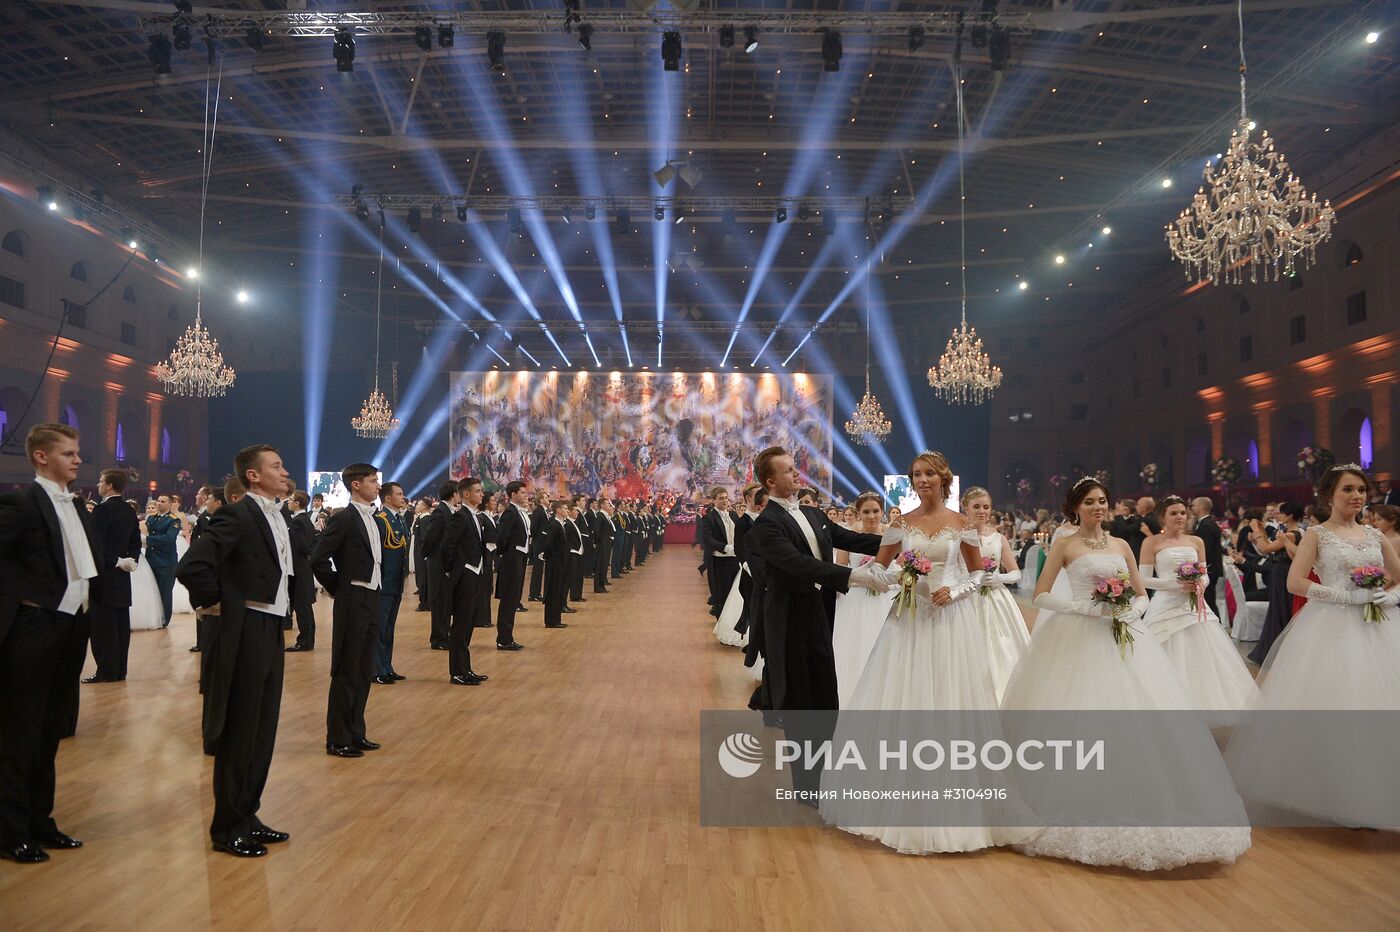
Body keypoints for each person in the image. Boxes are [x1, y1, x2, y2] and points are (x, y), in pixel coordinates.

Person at [1001, 477, 1251, 870]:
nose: (1098, 507)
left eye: (1102, 501)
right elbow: (1041, 594)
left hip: (1123, 635)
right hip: (1079, 634)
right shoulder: (1065, 544)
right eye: (1090, 502)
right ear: (1075, 508)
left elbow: (1138, 592)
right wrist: (1084, 609)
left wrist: (1129, 611)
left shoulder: (1120, 544)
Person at [824, 457, 1027, 854]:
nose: (922, 480)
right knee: (904, 695)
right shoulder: (900, 524)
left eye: (929, 474)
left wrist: (956, 592)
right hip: (908, 618)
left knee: (952, 698)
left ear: (943, 479)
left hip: (952, 619)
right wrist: (900, 578)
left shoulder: (962, 524)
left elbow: (978, 573)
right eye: (917, 475)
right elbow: (881, 569)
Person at [1227, 465, 1400, 826]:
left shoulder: (1374, 535)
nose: (1357, 497)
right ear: (1329, 495)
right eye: (1348, 490)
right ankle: (1338, 790)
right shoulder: (1317, 535)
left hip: (1377, 625)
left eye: (1361, 491)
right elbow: (1294, 582)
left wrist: (1389, 597)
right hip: (1332, 625)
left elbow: (1398, 576)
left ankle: (1380, 788)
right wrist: (1340, 595)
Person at [742, 447, 884, 796]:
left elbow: (852, 538)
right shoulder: (766, 526)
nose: (797, 474)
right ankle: (808, 786)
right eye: (789, 471)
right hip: (789, 621)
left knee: (825, 696)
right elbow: (800, 564)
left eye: (795, 468)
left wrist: (905, 538)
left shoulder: (813, 513)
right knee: (801, 702)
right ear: (770, 481)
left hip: (819, 614)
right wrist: (857, 578)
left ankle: (824, 774)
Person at [176, 444, 293, 857]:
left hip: (271, 627)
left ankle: (249, 813)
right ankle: (227, 826)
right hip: (246, 628)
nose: (284, 471)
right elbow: (193, 566)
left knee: (263, 727)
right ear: (254, 476)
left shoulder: (278, 516)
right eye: (276, 466)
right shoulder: (238, 512)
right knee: (241, 729)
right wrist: (219, 602)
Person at [0, 423, 99, 863]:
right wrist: (20, 602)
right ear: (41, 457)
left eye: (78, 453)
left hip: (72, 627)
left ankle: (41, 821)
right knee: (19, 732)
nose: (77, 459)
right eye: (68, 453)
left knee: (51, 730)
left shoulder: (76, 504)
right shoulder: (21, 503)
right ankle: (9, 830)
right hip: (34, 627)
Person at [1139, 496, 1258, 716]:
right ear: (1162, 517)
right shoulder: (1152, 542)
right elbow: (1143, 579)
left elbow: (1205, 574)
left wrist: (1199, 584)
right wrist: (1175, 584)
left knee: (1204, 658)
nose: (1180, 517)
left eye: (1183, 513)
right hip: (1165, 606)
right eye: (1174, 513)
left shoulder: (1196, 541)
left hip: (1194, 606)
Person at [310, 463, 384, 758]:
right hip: (353, 598)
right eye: (372, 481)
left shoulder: (374, 519)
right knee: (346, 670)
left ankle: (356, 732)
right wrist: (340, 587)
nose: (378, 485)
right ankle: (337, 738)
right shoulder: (344, 518)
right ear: (355, 485)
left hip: (372, 598)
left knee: (365, 668)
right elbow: (317, 558)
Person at [962, 487, 1029, 703]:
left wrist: (998, 578)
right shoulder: (957, 536)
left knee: (1002, 646)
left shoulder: (998, 538)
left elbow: (1016, 573)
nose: (982, 511)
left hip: (996, 599)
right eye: (977, 507)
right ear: (966, 508)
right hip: (967, 597)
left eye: (986, 507)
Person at [829, 491, 897, 707]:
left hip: (888, 596)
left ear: (882, 512)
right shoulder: (848, 538)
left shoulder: (894, 537)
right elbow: (840, 570)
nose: (871, 516)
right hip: (856, 599)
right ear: (858, 513)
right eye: (866, 512)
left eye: (875, 511)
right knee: (857, 645)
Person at [85, 468, 141, 683]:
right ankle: (119, 670)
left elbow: (95, 544)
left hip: (104, 575)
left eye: (100, 481)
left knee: (102, 627)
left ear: (109, 485)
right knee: (120, 626)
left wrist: (114, 562)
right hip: (122, 574)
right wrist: (130, 560)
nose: (98, 485)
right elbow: (135, 541)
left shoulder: (102, 511)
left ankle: (106, 671)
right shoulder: (128, 510)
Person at [440, 477, 489, 686]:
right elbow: (447, 547)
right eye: (478, 491)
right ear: (466, 494)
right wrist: (453, 571)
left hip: (475, 573)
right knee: (460, 624)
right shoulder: (460, 516)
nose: (482, 494)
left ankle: (466, 668)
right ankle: (457, 672)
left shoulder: (475, 516)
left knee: (468, 622)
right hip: (465, 575)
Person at [1247, 501, 1305, 665]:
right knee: (1277, 608)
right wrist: (1262, 531)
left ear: (1290, 515)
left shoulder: (1292, 534)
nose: (1277, 515)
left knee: (1280, 608)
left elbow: (1265, 549)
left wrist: (1256, 531)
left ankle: (1278, 651)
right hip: (1279, 572)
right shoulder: (1287, 532)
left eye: (1280, 513)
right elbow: (1268, 545)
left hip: (1284, 573)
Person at [374, 482, 411, 682]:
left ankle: (387, 666)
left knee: (389, 628)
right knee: (380, 628)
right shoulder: (381, 520)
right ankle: (377, 669)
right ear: (387, 498)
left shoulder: (399, 520)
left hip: (396, 582)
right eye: (399, 494)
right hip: (384, 582)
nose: (403, 497)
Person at [420, 481, 458, 651]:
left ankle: (444, 635)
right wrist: (429, 556)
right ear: (453, 494)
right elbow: (429, 538)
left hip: (445, 562)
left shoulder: (449, 511)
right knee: (440, 601)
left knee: (446, 601)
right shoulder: (440, 512)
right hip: (438, 562)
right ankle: (438, 639)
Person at [492, 481, 529, 650]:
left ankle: (508, 637)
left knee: (513, 599)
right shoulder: (510, 513)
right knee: (508, 600)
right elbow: (502, 538)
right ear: (513, 494)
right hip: (511, 560)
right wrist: (507, 556)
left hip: (519, 558)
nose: (525, 495)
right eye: (522, 492)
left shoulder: (519, 512)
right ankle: (503, 639)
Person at [284, 491, 318, 653]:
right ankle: (307, 640)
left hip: (298, 568)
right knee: (305, 606)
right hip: (304, 567)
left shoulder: (297, 522)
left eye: (290, 500)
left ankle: (304, 641)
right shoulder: (306, 520)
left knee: (302, 606)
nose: (288, 503)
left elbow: (302, 546)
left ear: (297, 503)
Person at [145, 493, 181, 627]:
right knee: (152, 591)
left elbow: (169, 538)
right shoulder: (151, 519)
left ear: (170, 504)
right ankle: (153, 617)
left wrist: (148, 540)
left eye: (163, 501)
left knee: (165, 592)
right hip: (151, 559)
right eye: (158, 501)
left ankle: (164, 619)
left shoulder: (173, 520)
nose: (159, 503)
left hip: (166, 561)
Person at [703, 488, 739, 618]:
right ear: (713, 501)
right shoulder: (709, 517)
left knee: (735, 593)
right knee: (722, 595)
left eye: (726, 498)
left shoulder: (734, 515)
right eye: (721, 498)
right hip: (719, 561)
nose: (724, 500)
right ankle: (721, 628)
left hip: (735, 560)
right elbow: (707, 539)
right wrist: (725, 547)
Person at [1189, 496, 1225, 622]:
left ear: (1201, 507)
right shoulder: (1204, 523)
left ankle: (1216, 626)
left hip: (1209, 569)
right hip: (1209, 568)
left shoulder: (1207, 524)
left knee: (1209, 600)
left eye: (1193, 505)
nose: (1191, 508)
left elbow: (1205, 549)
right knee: (1207, 599)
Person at [540, 500, 572, 629]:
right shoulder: (554, 525)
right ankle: (551, 620)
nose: (567, 511)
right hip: (554, 563)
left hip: (559, 562)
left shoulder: (560, 524)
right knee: (553, 590)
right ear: (558, 510)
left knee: (557, 590)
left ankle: (556, 618)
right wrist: (551, 558)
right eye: (565, 508)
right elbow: (548, 544)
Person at [592, 499, 615, 594]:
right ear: (602, 505)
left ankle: (602, 584)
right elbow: (596, 530)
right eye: (607, 503)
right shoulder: (600, 516)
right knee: (600, 565)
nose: (609, 505)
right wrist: (600, 541)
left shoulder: (606, 516)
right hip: (603, 543)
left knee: (604, 564)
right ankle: (598, 586)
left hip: (607, 542)